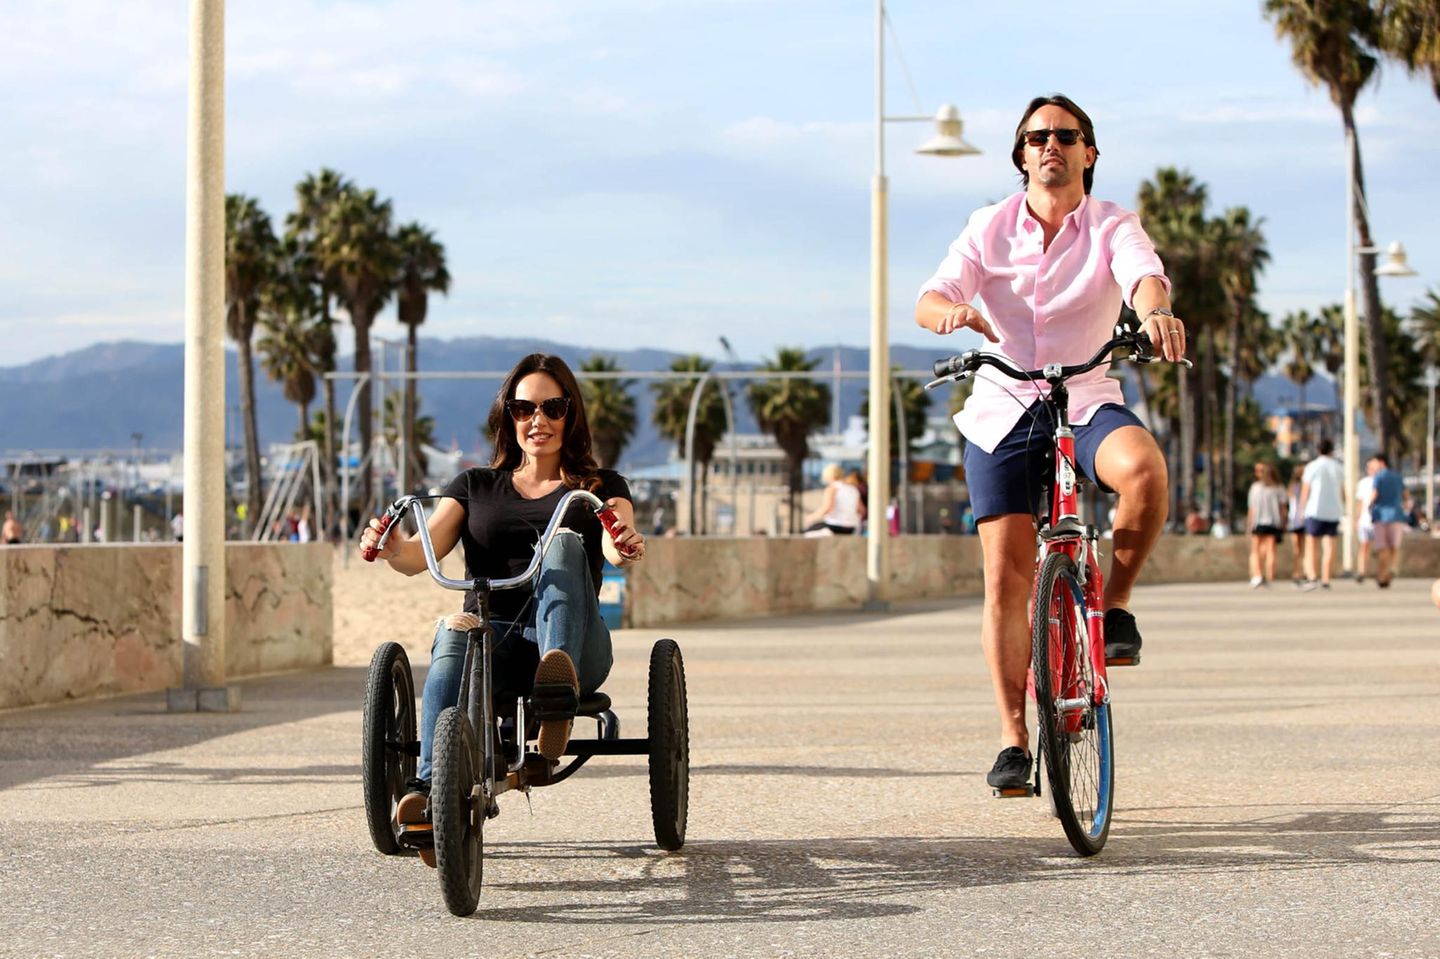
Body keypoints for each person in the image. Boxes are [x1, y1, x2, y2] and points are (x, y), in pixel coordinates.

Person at [914, 93, 1185, 792]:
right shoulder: (988, 228)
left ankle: (1114, 605)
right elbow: (931, 295)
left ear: (1088, 151)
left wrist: (1156, 314)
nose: (1050, 146)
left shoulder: (1112, 225)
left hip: (1087, 397)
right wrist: (952, 313)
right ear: (1021, 154)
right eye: (1037, 137)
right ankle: (1012, 737)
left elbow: (1143, 278)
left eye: (1066, 135)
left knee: (1146, 472)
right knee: (1005, 576)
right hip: (1005, 407)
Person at [358, 353, 645, 852]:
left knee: (561, 542)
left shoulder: (599, 488)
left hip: (575, 643)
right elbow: (415, 557)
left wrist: (621, 542)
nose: (539, 420)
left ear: (570, 415)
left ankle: (556, 690)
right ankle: (427, 791)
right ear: (508, 416)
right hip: (493, 642)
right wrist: (390, 548)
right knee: (454, 625)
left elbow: (613, 542)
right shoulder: (474, 487)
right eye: (524, 408)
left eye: (553, 408)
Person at [1299, 438, 1345, 590]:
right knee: (1330, 546)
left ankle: (1312, 576)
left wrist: (1301, 509)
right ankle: (1326, 578)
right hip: (1333, 510)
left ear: (1318, 450)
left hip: (1314, 509)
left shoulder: (1312, 466)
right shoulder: (1338, 467)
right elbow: (1342, 491)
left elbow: (1305, 490)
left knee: (1312, 544)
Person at [1365, 452, 1406, 588]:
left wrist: (1369, 507)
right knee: (1394, 546)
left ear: (1381, 462)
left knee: (1382, 548)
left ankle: (1382, 575)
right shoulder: (1397, 477)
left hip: (1381, 516)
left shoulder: (1379, 477)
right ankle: (1392, 569)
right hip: (1396, 515)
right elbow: (1405, 495)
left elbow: (1374, 495)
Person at [1245, 462, 1287, 587]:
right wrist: (1284, 522)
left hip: (1258, 522)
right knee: (1271, 551)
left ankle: (1257, 575)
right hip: (1274, 522)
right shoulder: (1279, 488)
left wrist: (1249, 524)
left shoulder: (1255, 488)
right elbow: (1283, 509)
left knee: (1255, 551)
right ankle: (1270, 576)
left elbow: (1251, 509)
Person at [803, 463, 865, 535]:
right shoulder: (853, 489)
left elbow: (828, 508)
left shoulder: (832, 489)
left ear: (829, 477)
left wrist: (811, 517)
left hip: (835, 526)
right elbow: (862, 510)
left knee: (807, 533)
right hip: (852, 527)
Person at [1353, 463, 1376, 583]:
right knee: (1364, 546)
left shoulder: (1381, 481)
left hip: (1378, 521)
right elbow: (1360, 502)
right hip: (1365, 520)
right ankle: (1361, 571)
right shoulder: (1363, 483)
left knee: (1379, 549)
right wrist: (1357, 518)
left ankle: (1379, 572)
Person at [1286, 474, 1307, 586]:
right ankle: (1303, 572)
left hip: (1294, 521)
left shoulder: (1292, 488)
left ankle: (1297, 573)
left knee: (1297, 550)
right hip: (1302, 520)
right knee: (1303, 549)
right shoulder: (1305, 488)